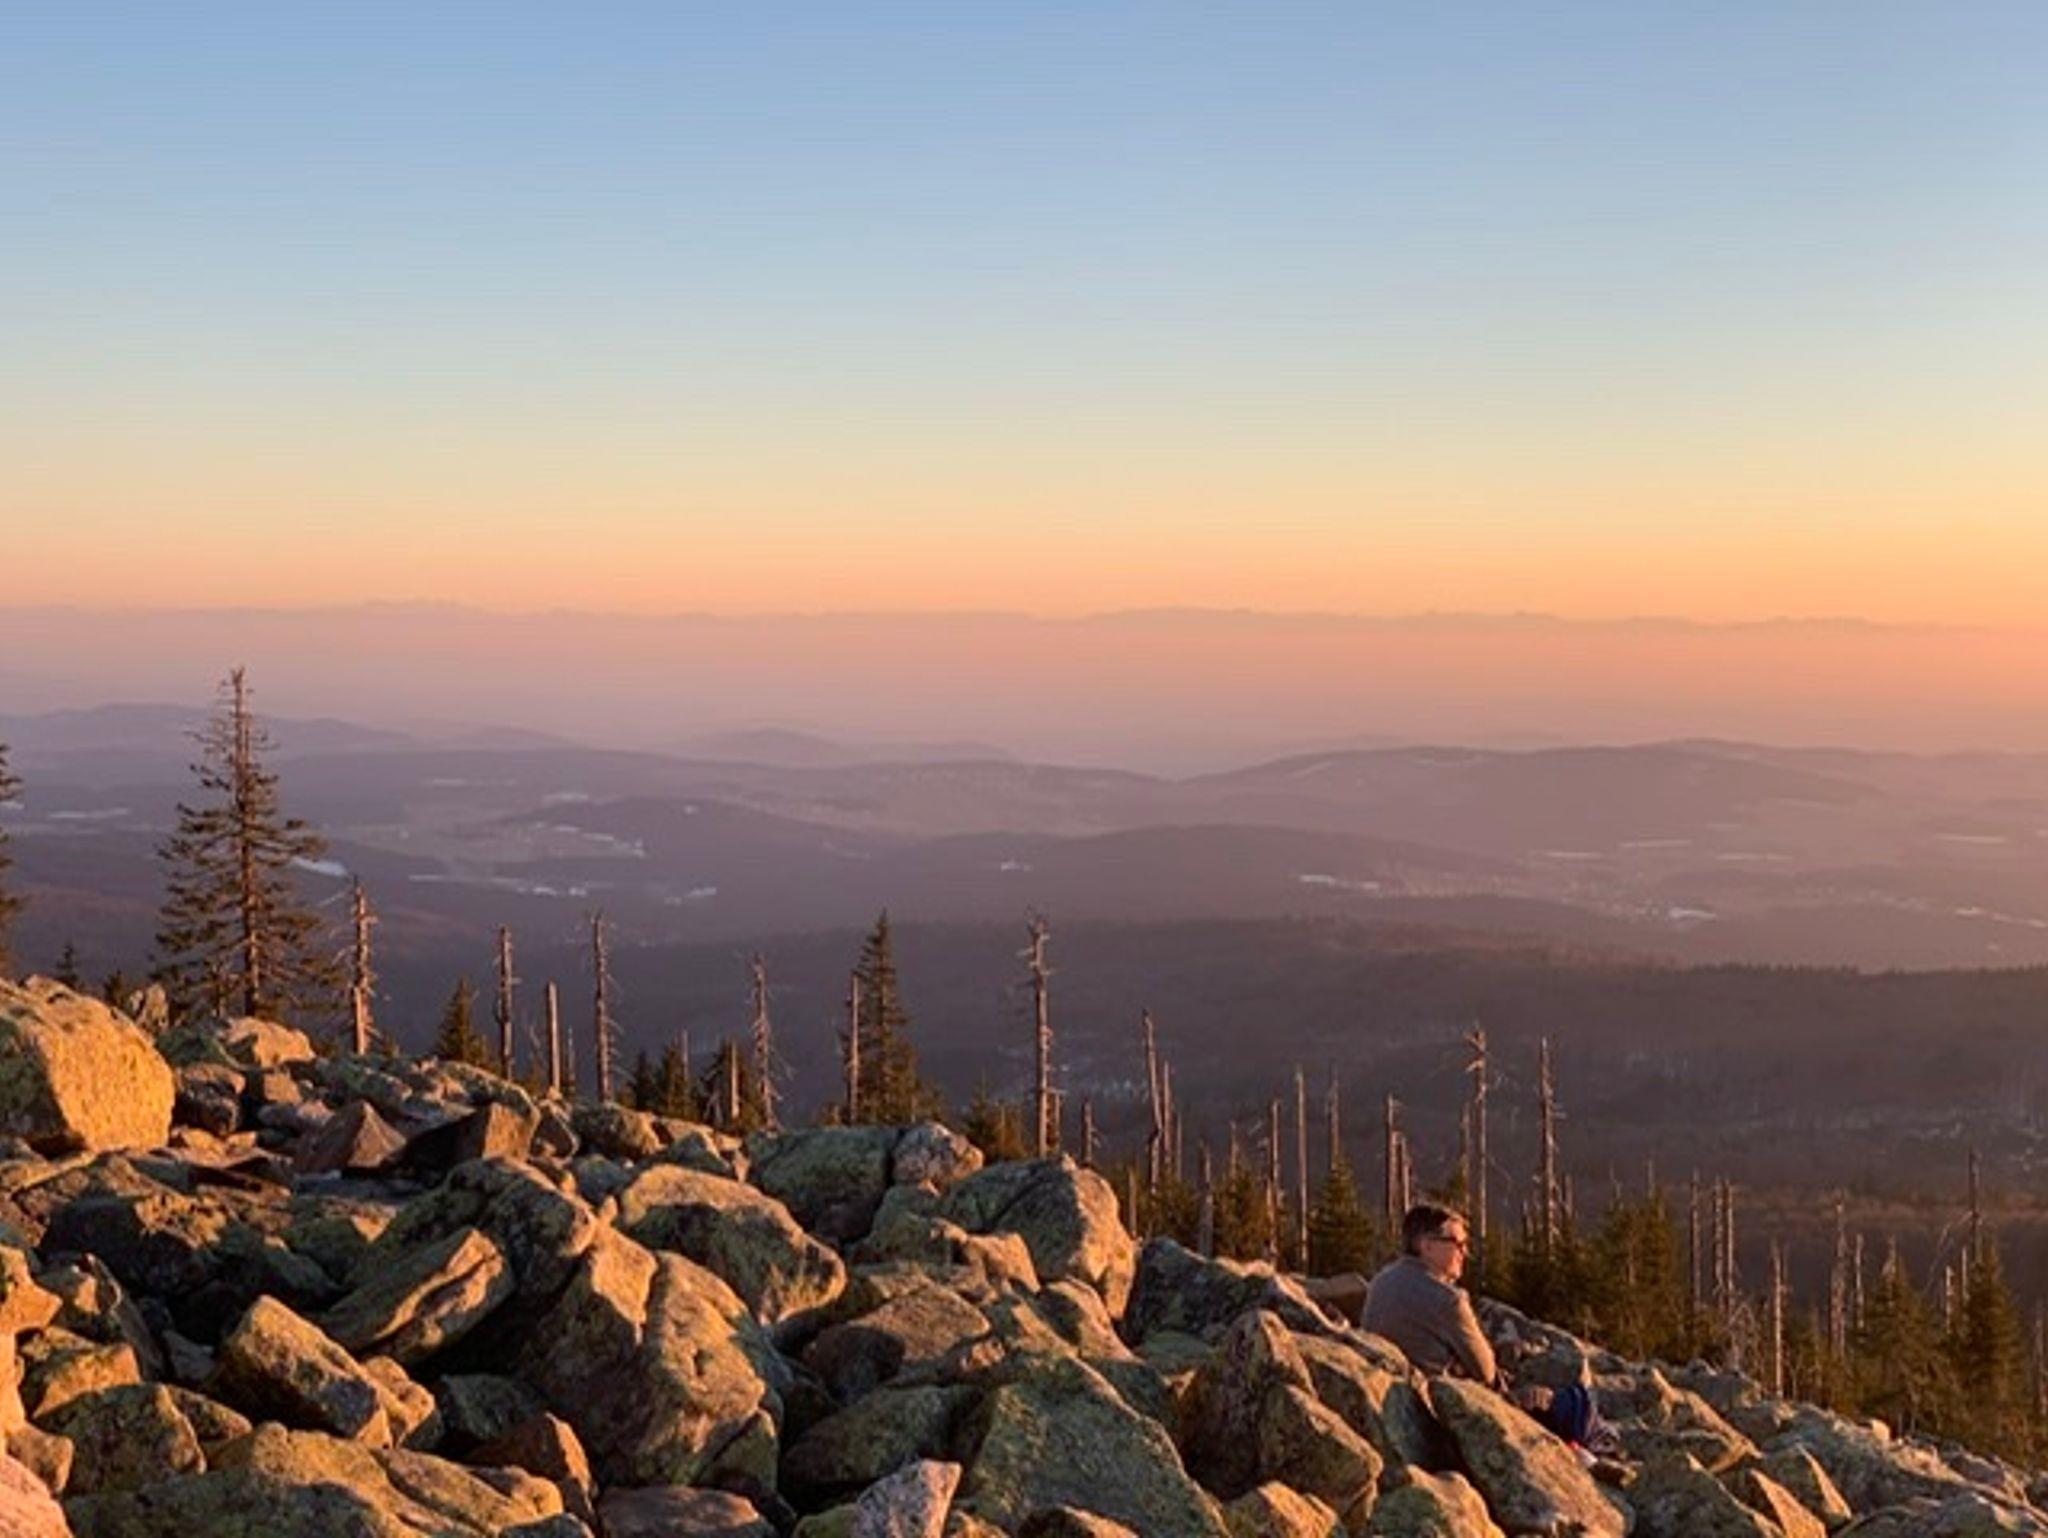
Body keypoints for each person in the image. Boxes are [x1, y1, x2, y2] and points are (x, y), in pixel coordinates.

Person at [1363, 1202, 1613, 1456]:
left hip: (1395, 1404)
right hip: (1444, 1412)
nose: (1464, 1252)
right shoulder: (1448, 1299)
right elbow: (1486, 1372)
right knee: (1576, 1403)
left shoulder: (1380, 1283)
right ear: (1426, 1245)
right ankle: (1600, 1454)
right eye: (1457, 1243)